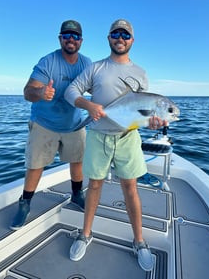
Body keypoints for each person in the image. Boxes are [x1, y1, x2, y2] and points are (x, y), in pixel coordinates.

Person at [64, 19, 167, 271]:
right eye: (116, 33)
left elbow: (138, 112)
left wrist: (151, 123)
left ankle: (139, 241)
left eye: (126, 35)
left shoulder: (141, 73)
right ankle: (85, 234)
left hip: (127, 138)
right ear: (109, 37)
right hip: (98, 135)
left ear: (132, 40)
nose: (120, 38)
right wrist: (89, 106)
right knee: (95, 185)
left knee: (131, 188)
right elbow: (70, 91)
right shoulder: (96, 68)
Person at [10, 20, 92, 230]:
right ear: (60, 39)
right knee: (36, 165)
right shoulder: (48, 62)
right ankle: (25, 203)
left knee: (78, 161)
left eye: (75, 36)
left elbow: (98, 90)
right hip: (44, 123)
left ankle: (77, 195)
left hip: (74, 123)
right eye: (67, 36)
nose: (71, 39)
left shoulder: (87, 63)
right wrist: (41, 93)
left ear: (81, 41)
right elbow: (28, 92)